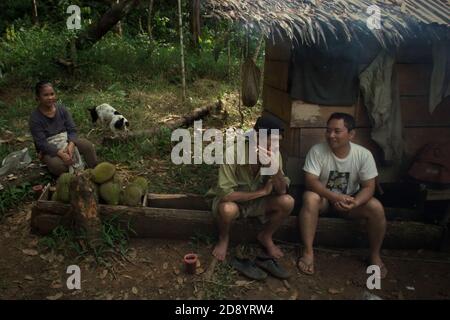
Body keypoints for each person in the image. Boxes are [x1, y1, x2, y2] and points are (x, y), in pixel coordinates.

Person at [298, 112, 387, 278]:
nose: (331, 135)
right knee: (310, 197)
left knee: (376, 207)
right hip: (324, 201)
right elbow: (310, 181)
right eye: (328, 130)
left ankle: (375, 255)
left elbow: (369, 187)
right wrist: (333, 197)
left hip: (349, 203)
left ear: (351, 134)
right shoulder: (317, 151)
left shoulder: (363, 155)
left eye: (337, 131)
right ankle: (308, 252)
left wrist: (355, 202)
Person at [206, 116, 294, 261]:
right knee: (227, 209)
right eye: (269, 143)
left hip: (258, 204)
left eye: (277, 144)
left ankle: (266, 236)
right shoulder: (232, 153)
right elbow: (226, 195)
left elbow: (282, 191)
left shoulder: (274, 155)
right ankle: (224, 238)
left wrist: (274, 168)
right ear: (256, 138)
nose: (272, 149)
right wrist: (262, 192)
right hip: (234, 203)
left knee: (287, 201)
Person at [29, 81, 98, 177]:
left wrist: (71, 145)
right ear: (38, 97)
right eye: (45, 95)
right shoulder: (35, 118)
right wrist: (60, 154)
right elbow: (41, 143)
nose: (50, 98)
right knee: (58, 166)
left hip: (66, 140)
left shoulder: (62, 109)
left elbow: (72, 129)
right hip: (49, 148)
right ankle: (72, 178)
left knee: (87, 146)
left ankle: (94, 172)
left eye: (52, 94)